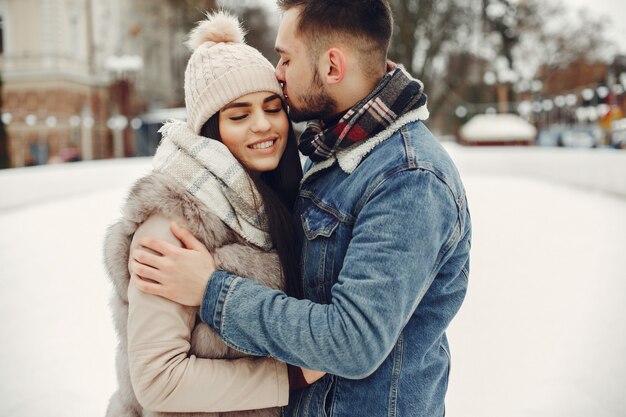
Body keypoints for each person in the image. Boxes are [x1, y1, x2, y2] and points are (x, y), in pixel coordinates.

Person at [131, 1, 472, 416]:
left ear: (331, 66)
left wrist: (211, 290)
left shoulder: (408, 178)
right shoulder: (324, 159)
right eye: (239, 115)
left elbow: (353, 341)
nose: (277, 72)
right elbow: (156, 376)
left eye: (286, 57)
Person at [103, 11, 322, 416]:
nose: (263, 125)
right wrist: (285, 377)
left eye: (272, 108)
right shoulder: (173, 221)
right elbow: (157, 381)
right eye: (239, 116)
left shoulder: (272, 204)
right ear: (209, 130)